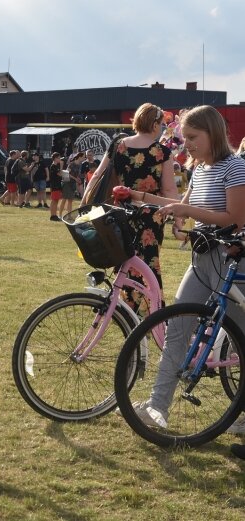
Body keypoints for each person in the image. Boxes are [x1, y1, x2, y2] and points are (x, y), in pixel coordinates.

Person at [111, 105, 245, 440]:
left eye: (193, 137)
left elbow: (235, 218)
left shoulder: (235, 167)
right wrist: (138, 195)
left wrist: (185, 210)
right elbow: (178, 205)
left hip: (230, 261)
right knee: (176, 330)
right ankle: (158, 406)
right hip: (202, 260)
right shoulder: (199, 170)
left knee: (242, 340)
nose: (187, 144)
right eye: (184, 137)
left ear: (213, 133)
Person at [86, 102, 178, 312]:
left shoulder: (119, 145)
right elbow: (170, 190)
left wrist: (86, 203)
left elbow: (97, 177)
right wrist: (178, 218)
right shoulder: (162, 152)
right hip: (150, 215)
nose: (162, 128)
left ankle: (124, 306)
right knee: (148, 264)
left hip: (120, 212)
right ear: (155, 124)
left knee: (124, 262)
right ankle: (150, 309)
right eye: (162, 124)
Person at [48, 152, 64, 221]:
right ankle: (53, 215)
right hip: (55, 186)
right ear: (55, 158)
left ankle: (54, 215)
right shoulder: (53, 166)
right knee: (54, 201)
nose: (59, 159)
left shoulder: (55, 166)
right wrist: (61, 165)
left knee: (56, 201)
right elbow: (60, 174)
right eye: (58, 158)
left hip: (57, 185)